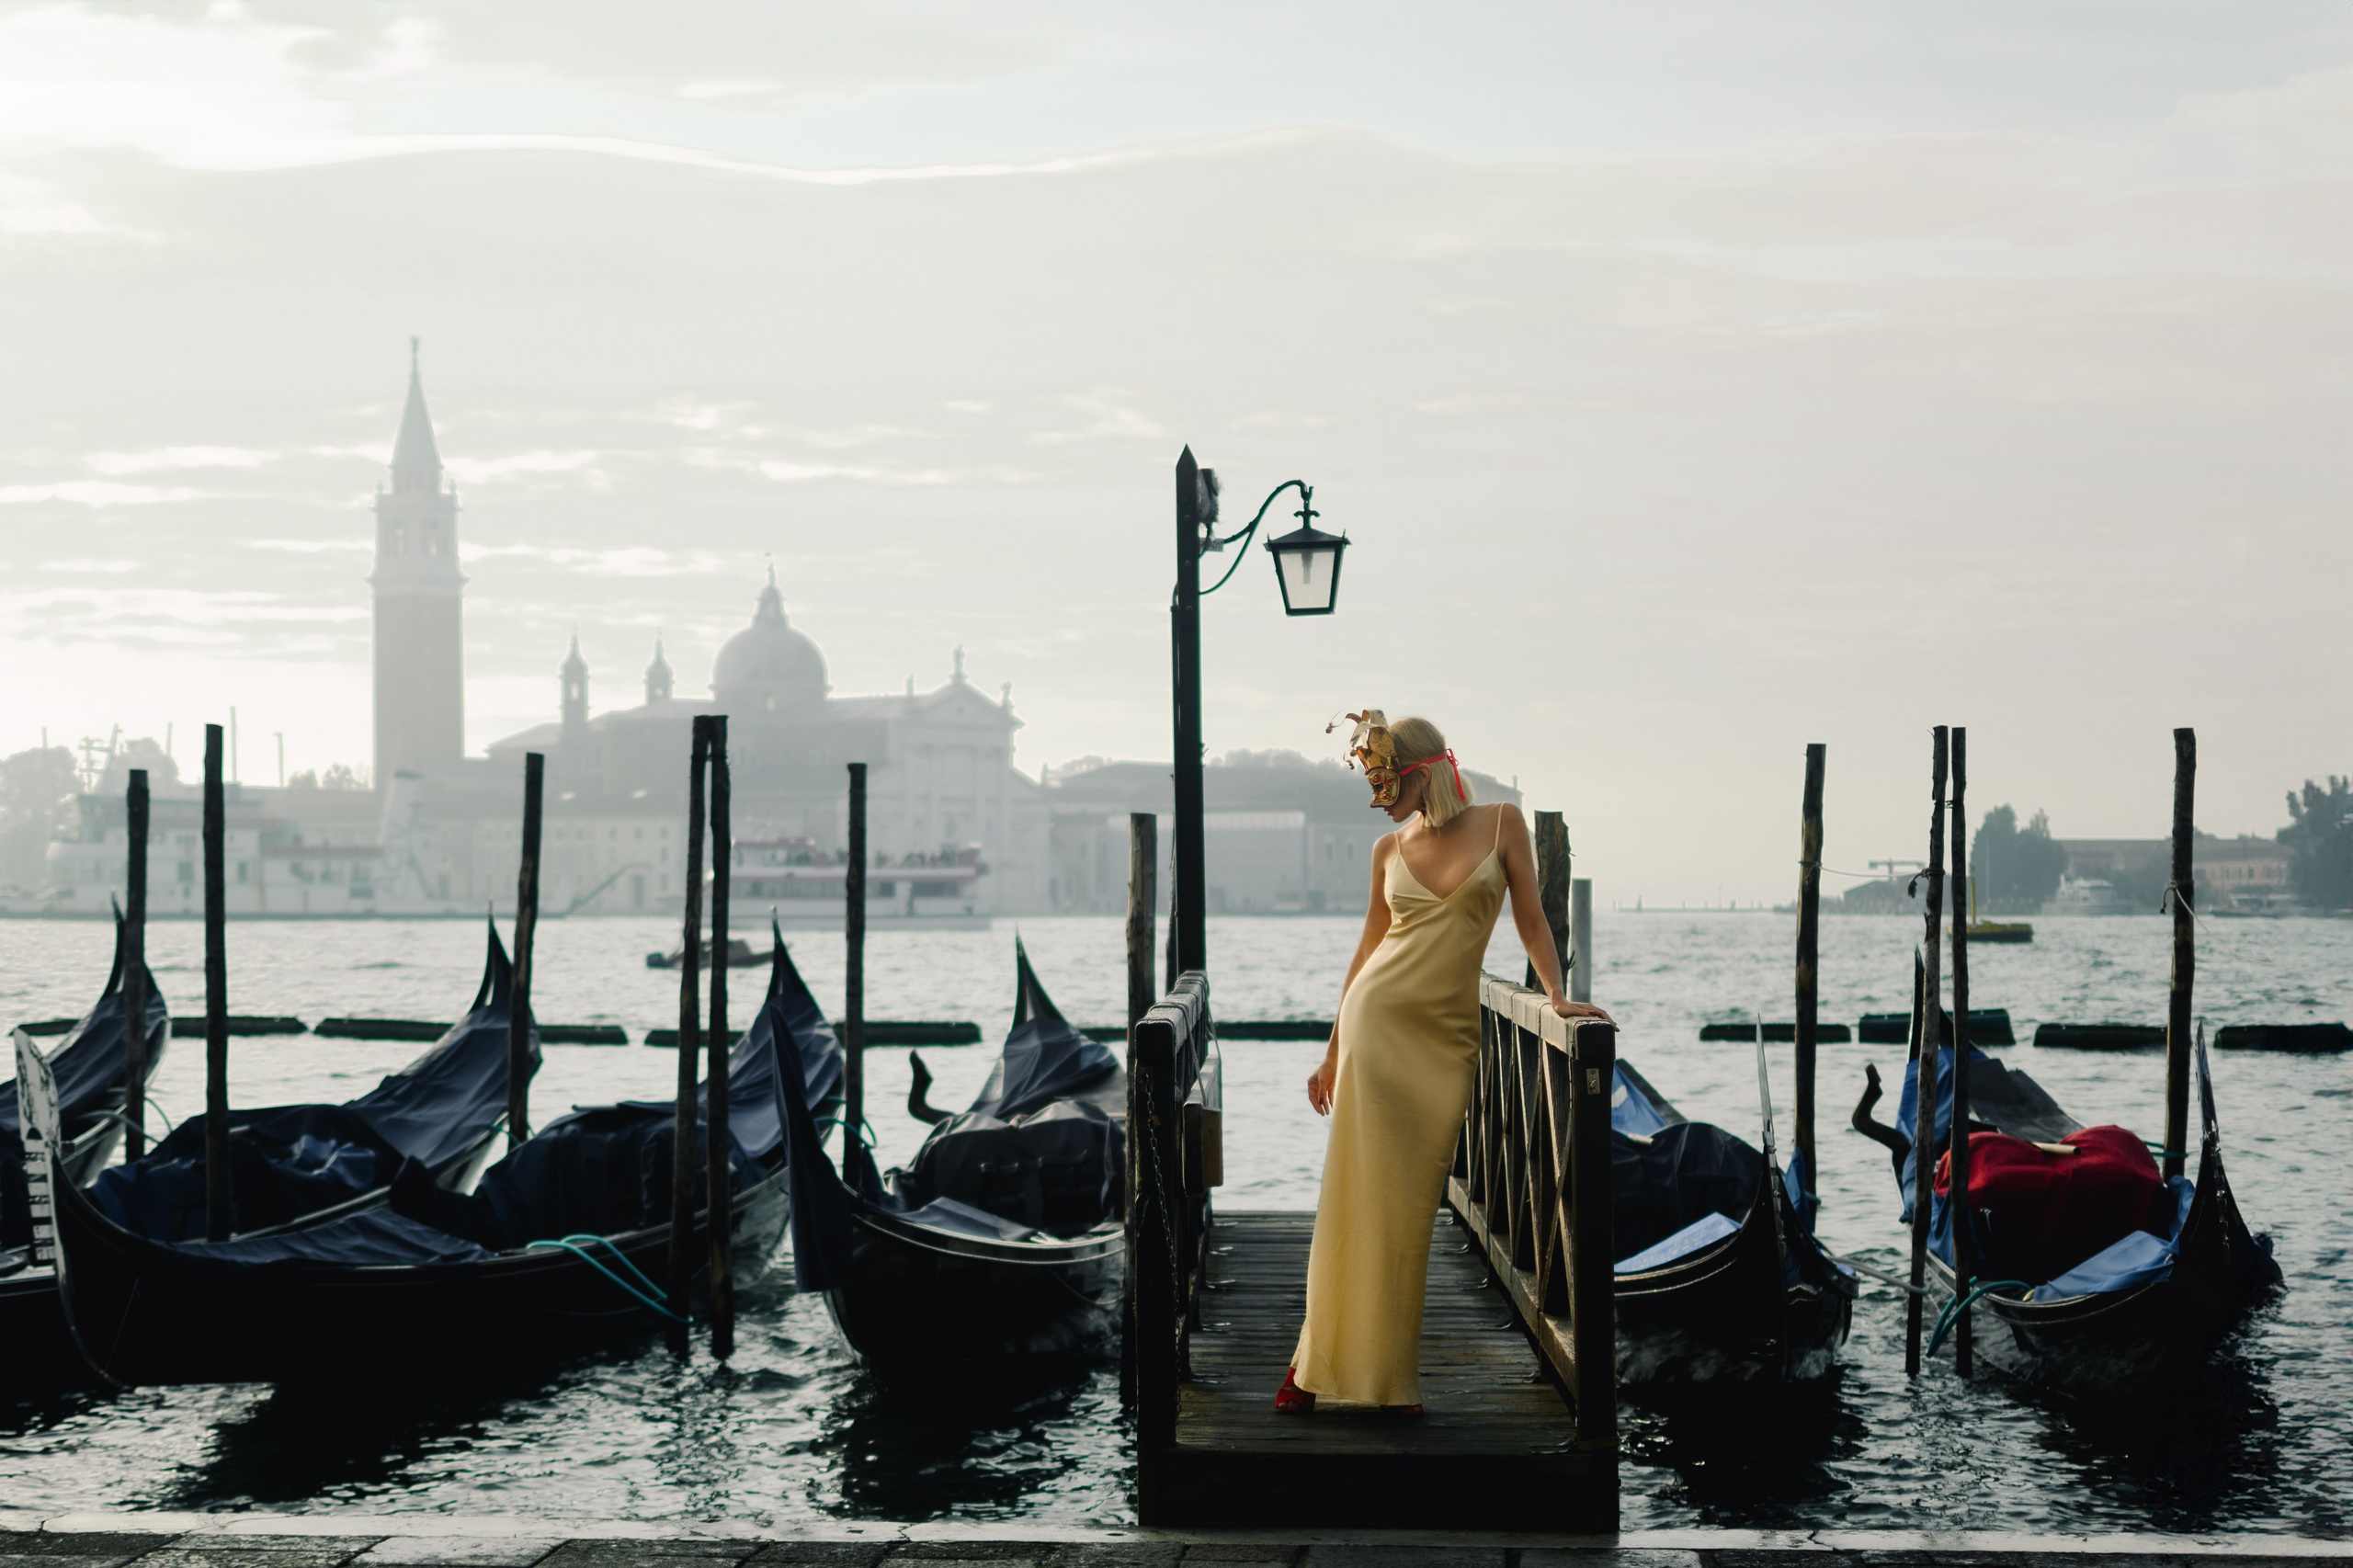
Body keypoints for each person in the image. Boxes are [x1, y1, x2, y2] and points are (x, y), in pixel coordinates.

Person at [1279, 712, 1609, 1415]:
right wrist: (1333, 1051)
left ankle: (1363, 1369)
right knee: (1354, 1199)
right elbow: (1367, 951)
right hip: (1375, 1028)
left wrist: (1556, 996)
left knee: (1409, 1210)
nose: (1381, 801)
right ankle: (1318, 1368)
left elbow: (1530, 918)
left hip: (1443, 1043)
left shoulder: (1503, 824)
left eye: (1389, 785)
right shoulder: (1387, 849)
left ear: (1424, 772)